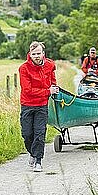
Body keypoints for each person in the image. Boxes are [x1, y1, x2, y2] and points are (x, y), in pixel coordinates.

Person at [18, 41, 59, 173]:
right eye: (34, 54)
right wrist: (48, 91)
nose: (36, 56)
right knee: (27, 134)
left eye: (39, 53)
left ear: (43, 54)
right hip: (27, 104)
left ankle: (38, 160)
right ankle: (32, 153)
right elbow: (27, 90)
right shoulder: (23, 69)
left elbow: (52, 79)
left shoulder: (50, 65)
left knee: (40, 133)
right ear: (30, 54)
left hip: (42, 105)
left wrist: (53, 86)